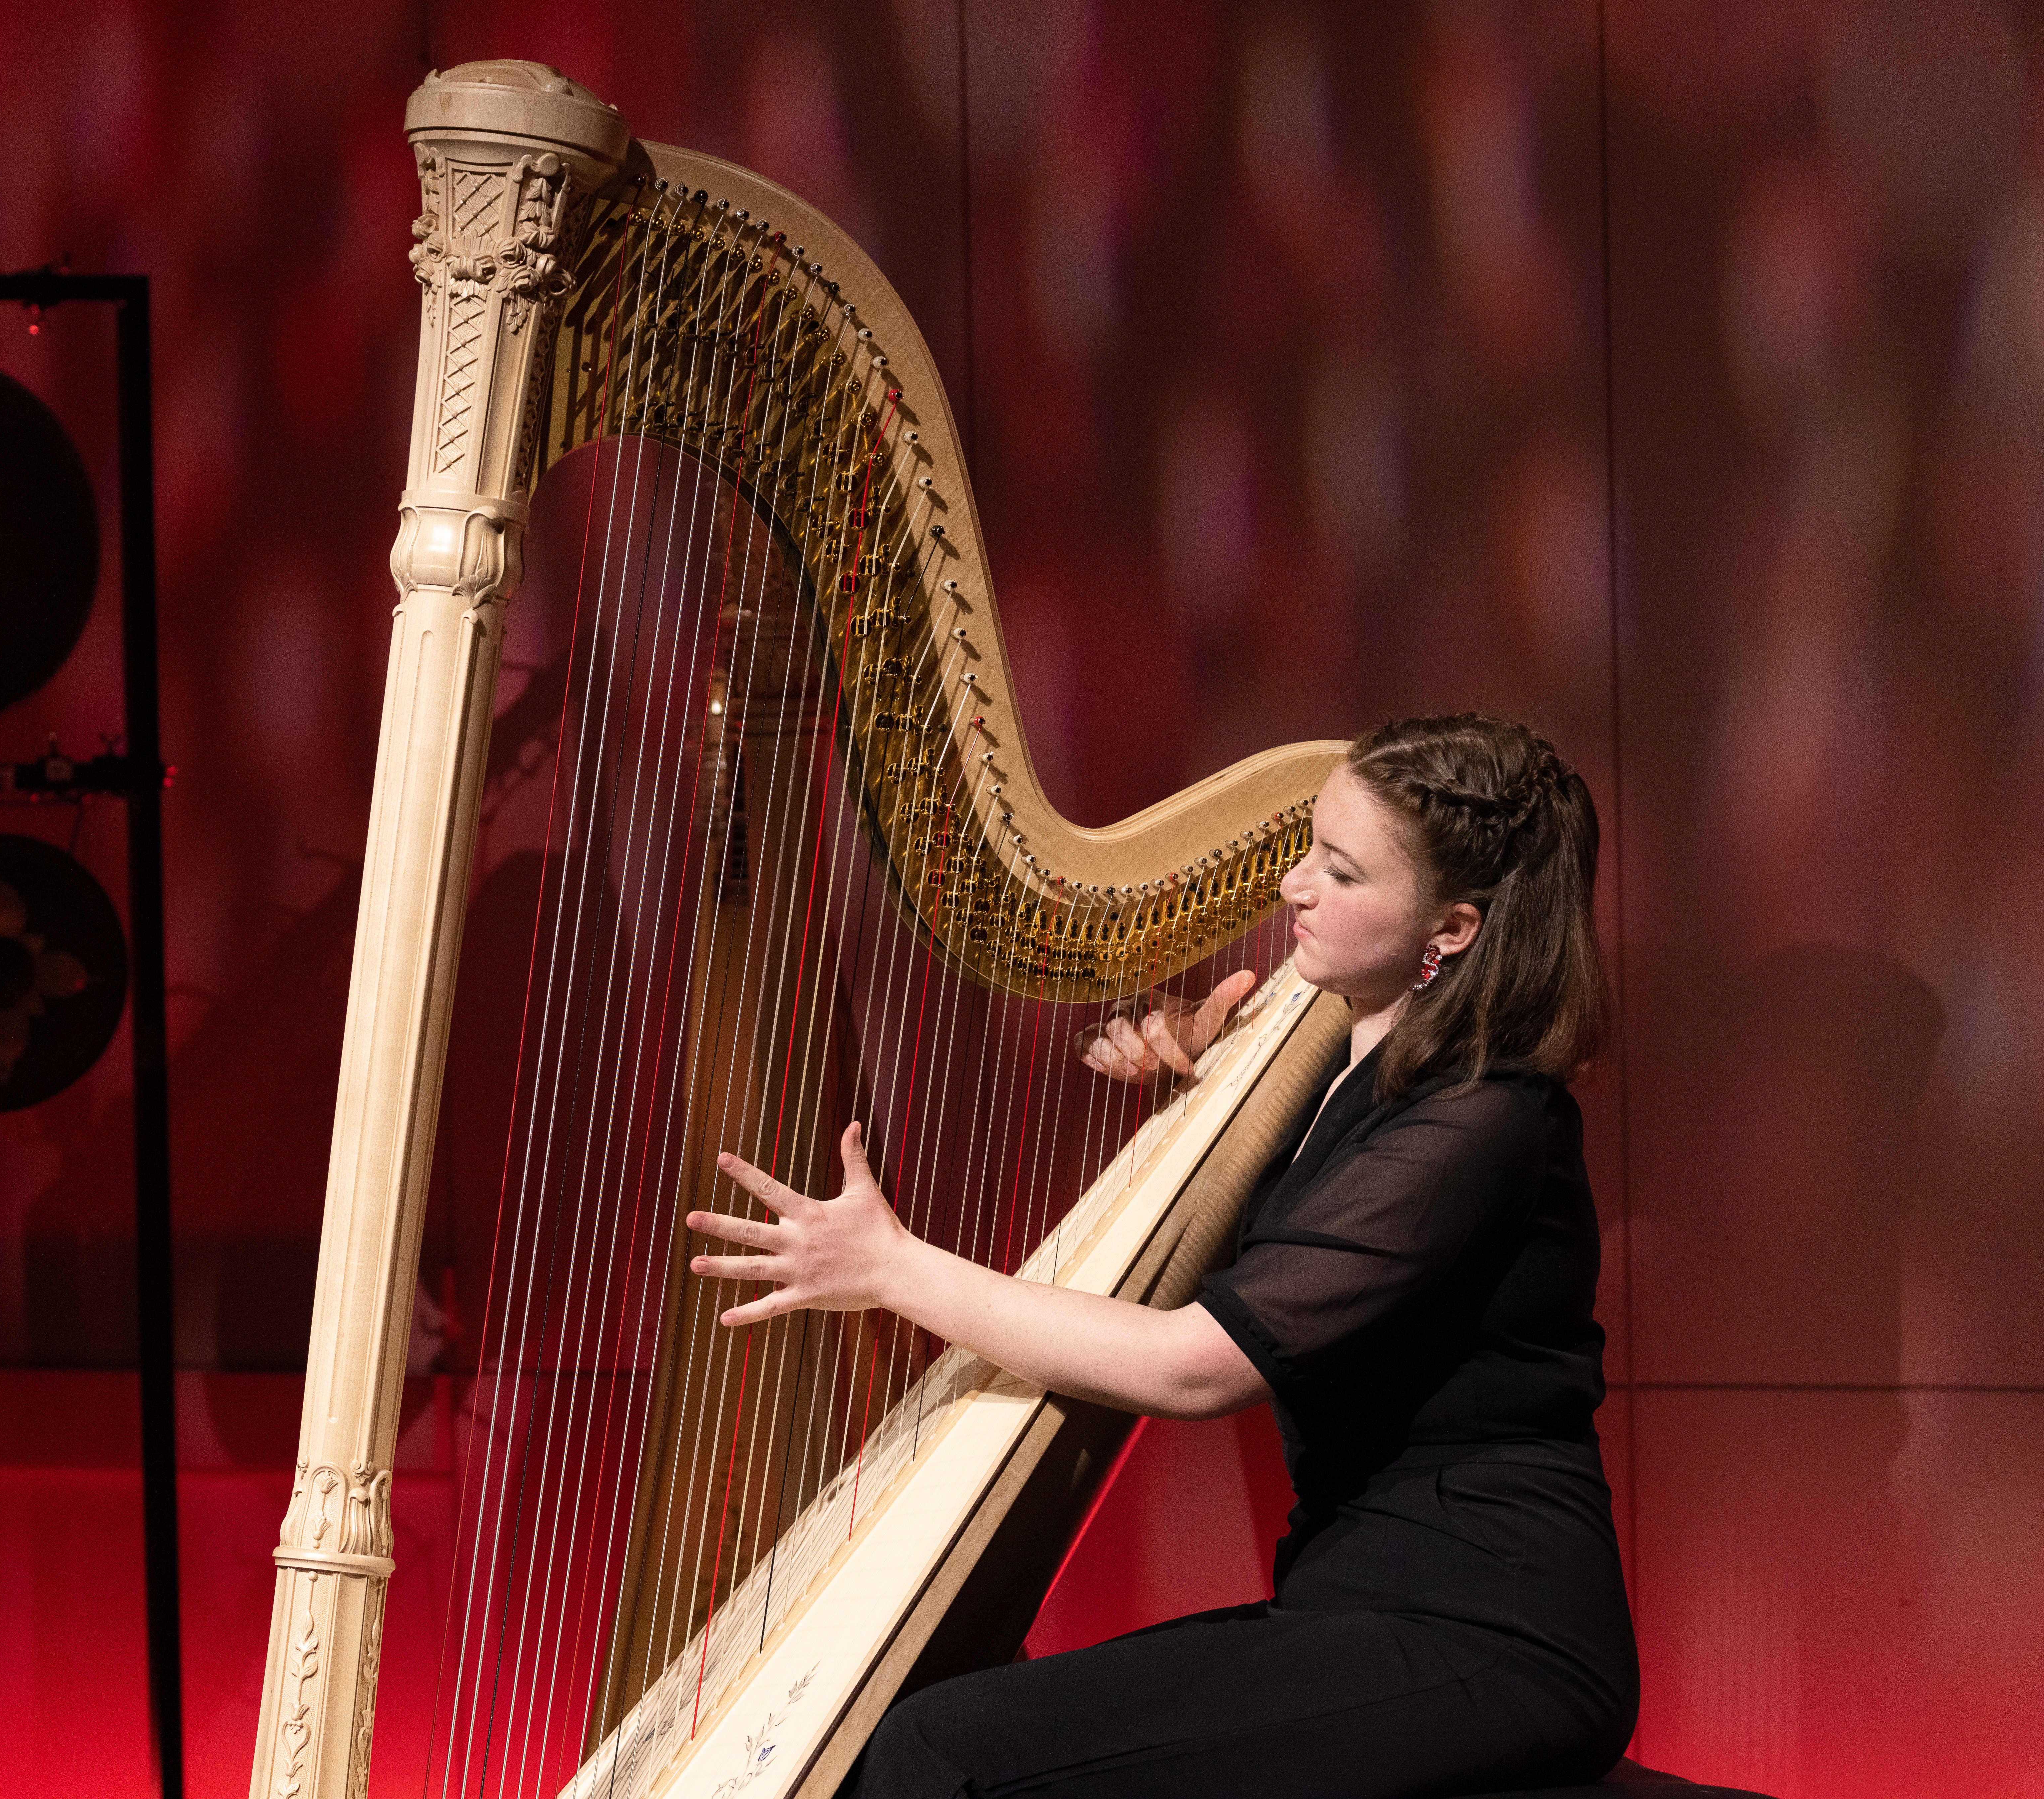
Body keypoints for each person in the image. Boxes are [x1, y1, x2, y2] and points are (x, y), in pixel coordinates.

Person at [685, 714, 1637, 1798]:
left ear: (1454, 929)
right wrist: (1203, 1079)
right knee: (932, 1724)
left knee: (940, 1753)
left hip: (1492, 1635)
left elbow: (1196, 1366)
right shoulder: (1348, 1064)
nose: (1293, 887)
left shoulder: (1485, 1120)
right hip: (1358, 1599)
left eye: (1340, 871)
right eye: (1307, 850)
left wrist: (896, 1268)